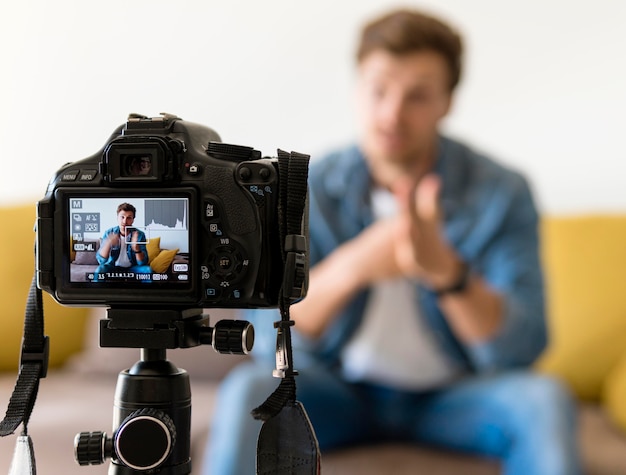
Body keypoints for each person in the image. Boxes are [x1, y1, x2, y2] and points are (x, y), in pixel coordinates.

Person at [203, 8, 582, 475]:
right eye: (378, 89)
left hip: (455, 398)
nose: (392, 113)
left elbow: (522, 349)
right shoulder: (307, 188)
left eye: (418, 95)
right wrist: (355, 265)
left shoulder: (502, 192)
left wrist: (445, 269)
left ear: (447, 101)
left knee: (544, 400)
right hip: (339, 392)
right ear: (356, 87)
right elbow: (263, 343)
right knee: (250, 388)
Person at [94, 202, 151, 281]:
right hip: (113, 267)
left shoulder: (139, 235)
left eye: (129, 218)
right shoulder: (109, 233)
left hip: (132, 268)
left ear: (133, 220)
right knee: (100, 270)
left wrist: (137, 249)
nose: (125, 221)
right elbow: (101, 261)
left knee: (148, 271)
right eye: (122, 217)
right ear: (117, 218)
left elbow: (142, 263)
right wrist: (108, 244)